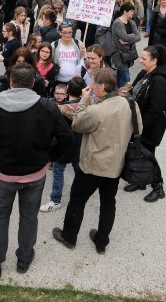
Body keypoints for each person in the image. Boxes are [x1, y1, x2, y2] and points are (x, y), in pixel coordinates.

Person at [0, 62, 73, 279]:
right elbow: (67, 138)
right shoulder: (47, 105)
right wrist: (51, 157)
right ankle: (24, 258)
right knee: (29, 217)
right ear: (33, 83)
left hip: (4, 174)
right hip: (34, 173)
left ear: (11, 82)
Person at [52, 68, 140, 254]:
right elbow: (139, 127)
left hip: (93, 165)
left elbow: (77, 124)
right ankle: (102, 241)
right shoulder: (130, 104)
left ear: (101, 87)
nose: (91, 88)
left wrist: (83, 101)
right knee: (108, 203)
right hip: (115, 164)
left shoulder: (96, 110)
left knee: (77, 200)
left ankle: (69, 236)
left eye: (93, 84)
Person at [126, 46, 166, 202]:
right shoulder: (145, 73)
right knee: (139, 153)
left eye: (144, 58)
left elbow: (155, 111)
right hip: (138, 123)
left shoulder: (159, 81)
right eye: (141, 57)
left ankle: (158, 187)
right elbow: (134, 92)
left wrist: (140, 130)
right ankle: (141, 181)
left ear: (155, 61)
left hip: (149, 127)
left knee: (148, 155)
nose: (140, 61)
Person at [40, 77, 85, 213]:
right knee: (79, 170)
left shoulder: (59, 109)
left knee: (58, 171)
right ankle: (80, 196)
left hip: (63, 144)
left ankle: (55, 200)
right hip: (79, 143)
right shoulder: (86, 104)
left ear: (68, 90)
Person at [110, 3, 140, 87]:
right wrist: (130, 38)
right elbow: (124, 36)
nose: (132, 13)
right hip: (119, 54)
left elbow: (138, 36)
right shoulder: (118, 23)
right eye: (131, 11)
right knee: (126, 77)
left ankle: (119, 91)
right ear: (125, 12)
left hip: (128, 53)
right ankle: (126, 92)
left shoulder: (131, 22)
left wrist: (128, 41)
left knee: (120, 75)